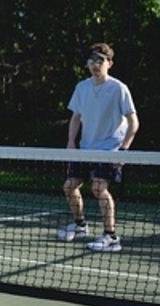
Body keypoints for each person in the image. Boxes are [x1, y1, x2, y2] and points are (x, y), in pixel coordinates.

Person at [57, 42, 139, 252]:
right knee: (69, 186)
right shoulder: (82, 87)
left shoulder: (119, 89)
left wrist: (124, 150)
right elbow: (76, 117)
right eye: (92, 60)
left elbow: (133, 122)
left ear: (110, 63)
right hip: (85, 148)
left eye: (100, 60)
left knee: (98, 188)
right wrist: (71, 142)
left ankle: (111, 237)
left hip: (111, 149)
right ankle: (80, 225)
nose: (95, 64)